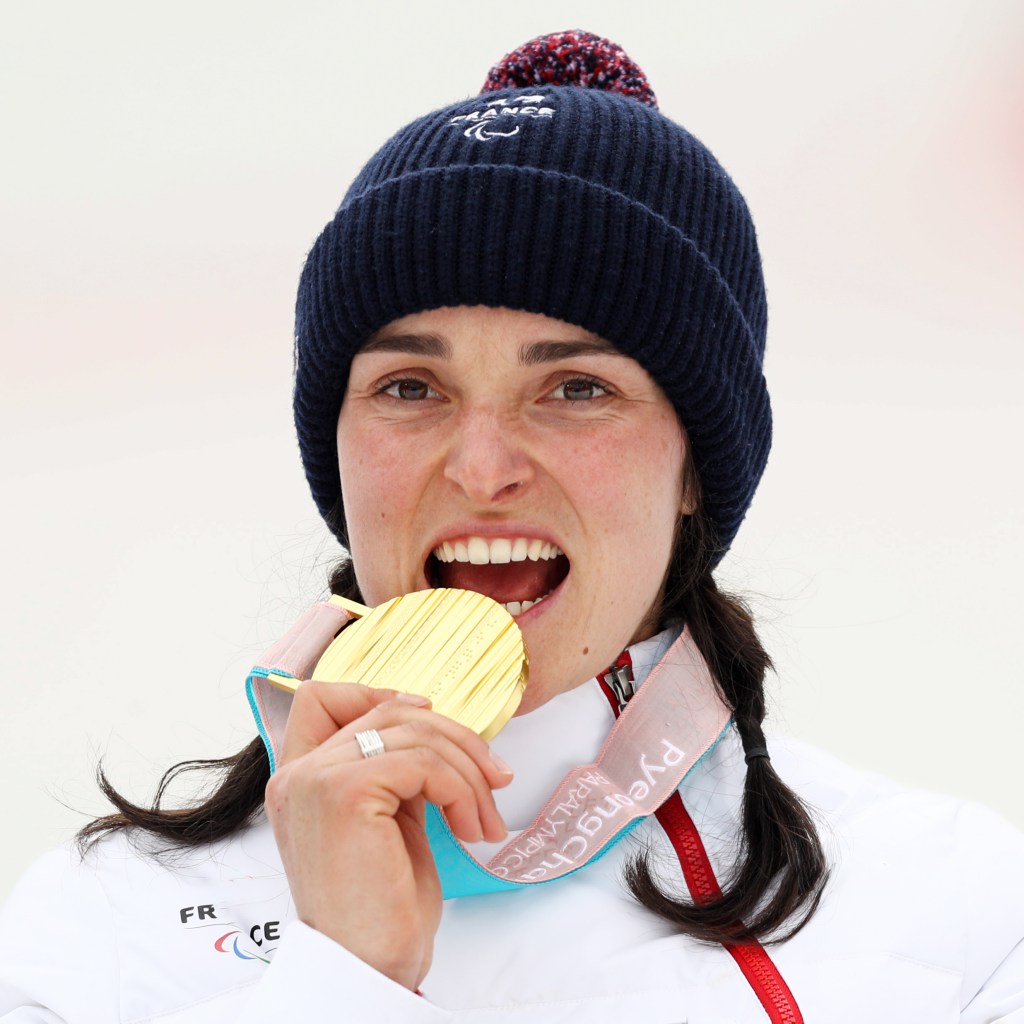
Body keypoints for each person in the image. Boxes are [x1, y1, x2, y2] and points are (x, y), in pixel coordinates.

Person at [2, 29, 1022, 1023]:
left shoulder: (953, 916)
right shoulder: (97, 934)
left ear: (691, 470)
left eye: (575, 388)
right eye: (410, 386)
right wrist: (341, 984)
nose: (483, 468)